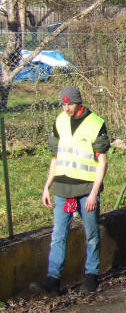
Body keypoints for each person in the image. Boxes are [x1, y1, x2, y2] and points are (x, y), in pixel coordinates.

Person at [30, 86, 110, 296]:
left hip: (86, 189)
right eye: (63, 104)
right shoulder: (59, 121)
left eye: (70, 104)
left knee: (91, 233)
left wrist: (94, 193)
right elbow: (55, 158)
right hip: (62, 188)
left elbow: (102, 162)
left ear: (79, 102)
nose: (66, 108)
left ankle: (91, 276)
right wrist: (47, 186)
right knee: (58, 234)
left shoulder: (96, 123)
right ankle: (53, 280)